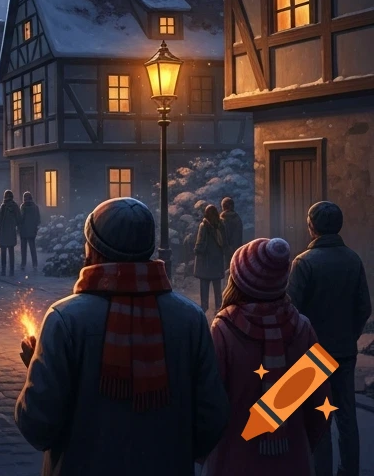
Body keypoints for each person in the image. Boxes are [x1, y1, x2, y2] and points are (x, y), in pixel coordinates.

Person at [14, 198, 228, 475]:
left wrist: (36, 369)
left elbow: (37, 425)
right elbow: (212, 418)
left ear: (93, 249)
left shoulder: (64, 320)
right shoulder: (191, 319)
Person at [203, 237, 326, 476]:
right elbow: (319, 407)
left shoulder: (224, 329)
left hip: (234, 459)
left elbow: (211, 403)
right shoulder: (303, 329)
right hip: (292, 461)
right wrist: (300, 444)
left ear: (238, 282)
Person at [288, 201, 371, 476]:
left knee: (318, 417)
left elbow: (292, 310)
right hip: (345, 350)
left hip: (313, 352)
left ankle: (321, 471)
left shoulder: (303, 263)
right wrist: (351, 335)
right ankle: (350, 470)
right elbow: (364, 307)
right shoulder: (353, 260)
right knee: (347, 417)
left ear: (311, 226)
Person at [194, 204, 225, 315]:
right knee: (217, 288)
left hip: (205, 261)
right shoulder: (221, 225)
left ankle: (204, 308)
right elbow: (225, 241)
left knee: (204, 287)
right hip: (217, 261)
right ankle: (219, 308)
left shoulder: (204, 226)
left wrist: (196, 250)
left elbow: (200, 243)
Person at [0, 189, 21, 277]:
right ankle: (11, 271)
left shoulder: (3, 206)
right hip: (11, 231)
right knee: (11, 252)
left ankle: (3, 270)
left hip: (4, 232)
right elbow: (19, 218)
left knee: (4, 252)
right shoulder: (14, 206)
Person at [219, 197, 244, 271]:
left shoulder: (222, 219)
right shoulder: (237, 218)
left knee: (226, 268)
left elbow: (222, 235)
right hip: (237, 248)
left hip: (225, 249)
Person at [19, 191, 41, 272]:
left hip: (24, 231)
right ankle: (35, 264)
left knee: (23, 249)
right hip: (32, 231)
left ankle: (23, 264)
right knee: (32, 248)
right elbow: (38, 219)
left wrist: (19, 227)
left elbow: (21, 218)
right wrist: (35, 227)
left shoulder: (23, 206)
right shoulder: (35, 207)